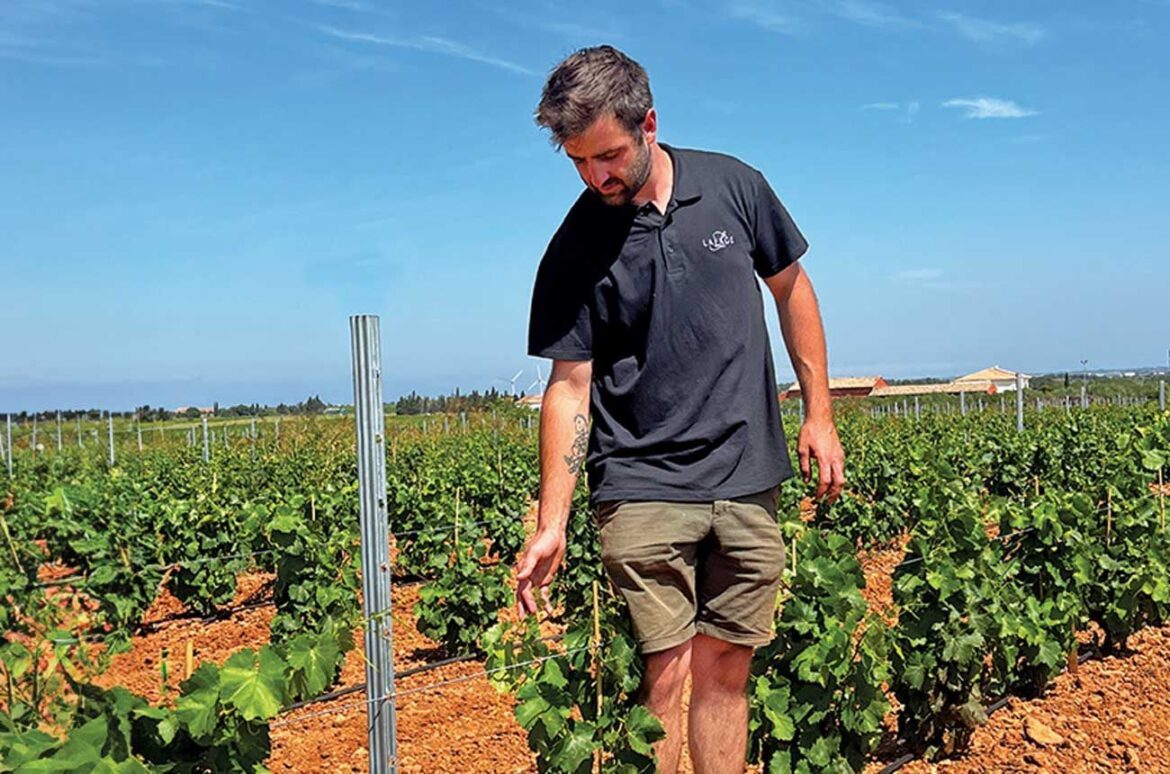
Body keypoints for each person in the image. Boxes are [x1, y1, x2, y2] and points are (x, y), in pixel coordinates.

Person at [515, 45, 845, 774]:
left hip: (747, 473)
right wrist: (551, 522)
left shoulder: (736, 187)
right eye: (577, 161)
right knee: (662, 674)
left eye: (606, 155)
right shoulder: (573, 250)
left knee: (727, 666)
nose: (594, 176)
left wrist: (818, 414)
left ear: (650, 123)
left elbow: (792, 290)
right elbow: (570, 386)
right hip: (641, 484)